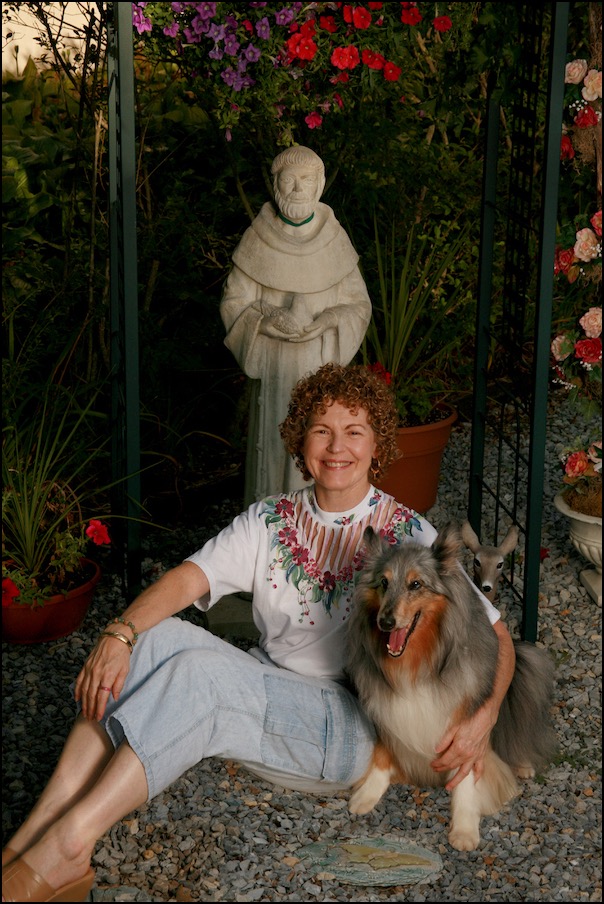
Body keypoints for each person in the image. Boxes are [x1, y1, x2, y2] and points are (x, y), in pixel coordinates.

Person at [2, 363, 516, 902]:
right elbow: (186, 578)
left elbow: (497, 635)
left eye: (354, 431)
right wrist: (120, 632)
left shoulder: (410, 534)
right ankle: (32, 835)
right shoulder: (271, 518)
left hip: (355, 725)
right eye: (322, 429)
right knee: (153, 641)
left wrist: (484, 719)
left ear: (377, 444)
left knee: (201, 676)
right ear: (301, 439)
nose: (336, 446)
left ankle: (67, 846)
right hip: (269, 687)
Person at [220, 146, 372, 506]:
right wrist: (266, 321)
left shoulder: (335, 239)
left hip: (321, 364)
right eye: (289, 181)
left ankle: (317, 531)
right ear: (275, 185)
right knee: (275, 450)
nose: (297, 190)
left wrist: (329, 321)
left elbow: (357, 305)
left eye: (306, 181)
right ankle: (270, 534)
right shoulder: (257, 238)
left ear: (319, 186)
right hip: (275, 369)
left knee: (321, 444)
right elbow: (234, 303)